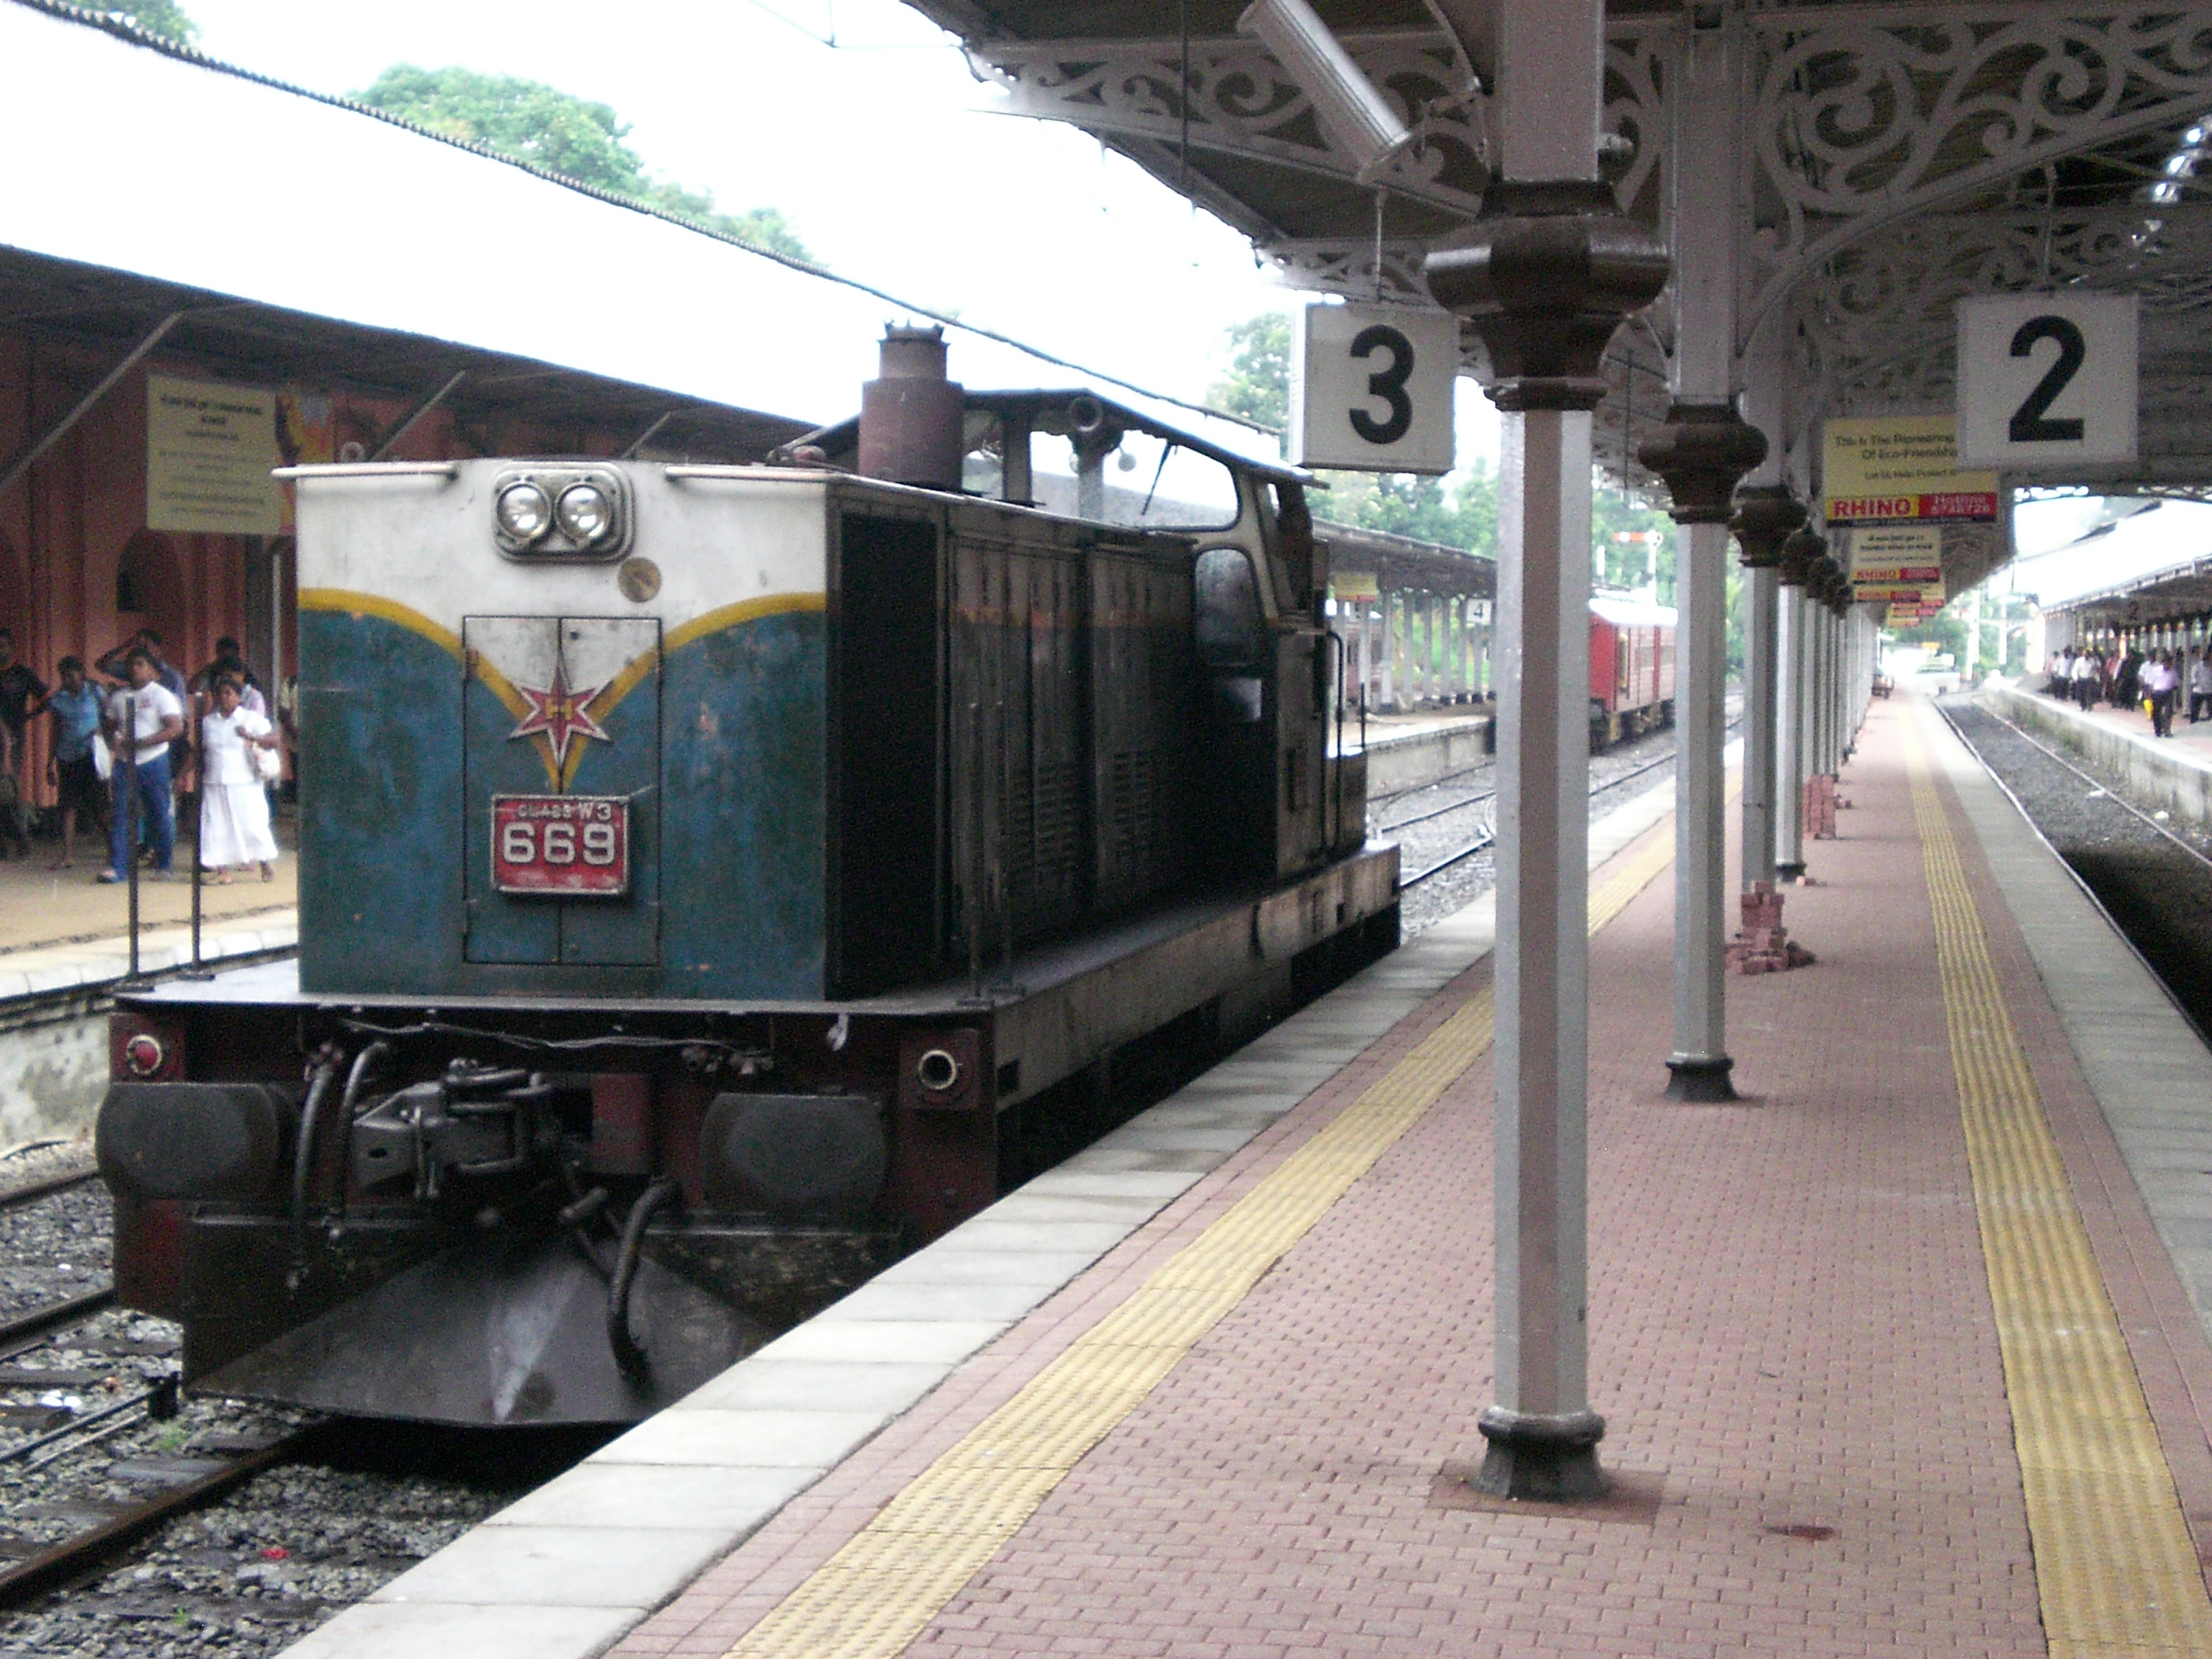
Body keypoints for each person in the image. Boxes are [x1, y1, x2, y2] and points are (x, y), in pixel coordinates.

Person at [100, 649, 182, 884]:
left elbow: (175, 728)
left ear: (151, 670)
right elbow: (109, 725)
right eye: (131, 664)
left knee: (158, 813)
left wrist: (143, 743)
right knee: (121, 814)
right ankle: (118, 867)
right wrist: (114, 739)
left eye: (140, 663)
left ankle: (164, 864)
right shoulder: (119, 697)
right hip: (125, 762)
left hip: (153, 760)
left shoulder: (161, 695)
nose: (134, 668)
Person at [196, 676, 279, 882]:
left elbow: (274, 741)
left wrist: (251, 736)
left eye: (228, 693)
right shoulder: (208, 722)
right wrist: (184, 776)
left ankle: (265, 862)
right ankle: (223, 872)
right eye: (219, 694)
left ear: (239, 697)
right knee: (216, 828)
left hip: (245, 782)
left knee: (252, 826)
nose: (223, 697)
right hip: (215, 781)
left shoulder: (251, 719)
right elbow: (198, 750)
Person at [43, 657, 105, 869]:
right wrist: (50, 761)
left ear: (81, 674)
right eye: (63, 676)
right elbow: (56, 731)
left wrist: (104, 736)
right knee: (67, 806)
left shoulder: (95, 692)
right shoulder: (58, 699)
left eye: (71, 675)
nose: (67, 680)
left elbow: (109, 716)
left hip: (91, 753)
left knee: (98, 805)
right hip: (67, 755)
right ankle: (67, 854)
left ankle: (112, 849)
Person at [0, 629, 45, 858]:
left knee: (6, 792)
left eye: (3, 646)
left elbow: (46, 698)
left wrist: (27, 717)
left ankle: (21, 838)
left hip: (13, 739)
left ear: (11, 647)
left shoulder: (22, 674)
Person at [2144, 649, 2178, 737]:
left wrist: (2174, 688)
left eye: (2169, 663)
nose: (2168, 665)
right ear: (2163, 663)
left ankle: (2167, 730)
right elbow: (2150, 683)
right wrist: (2149, 694)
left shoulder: (2173, 672)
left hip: (2168, 693)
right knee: (2157, 712)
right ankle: (2158, 730)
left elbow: (2176, 683)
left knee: (2168, 712)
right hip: (2157, 693)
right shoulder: (2156, 670)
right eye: (2166, 663)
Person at [2072, 646, 2100, 711]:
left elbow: (2097, 669)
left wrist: (2095, 661)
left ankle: (2090, 705)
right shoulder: (2079, 661)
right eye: (2086, 656)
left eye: (2088, 656)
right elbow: (2075, 669)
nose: (2087, 657)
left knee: (2090, 693)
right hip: (2082, 679)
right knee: (2082, 694)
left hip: (2090, 679)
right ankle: (2083, 706)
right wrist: (2075, 678)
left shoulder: (2093, 661)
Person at [2190, 647, 2212, 724]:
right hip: (2198, 690)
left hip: (2209, 690)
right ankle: (2193, 724)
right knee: (2195, 710)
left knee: (2210, 709)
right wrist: (2196, 683)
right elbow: (2193, 677)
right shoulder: (2197, 667)